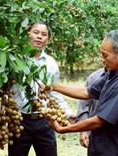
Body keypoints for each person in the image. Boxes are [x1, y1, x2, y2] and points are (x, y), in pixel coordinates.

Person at [46, 29, 118, 156]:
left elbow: (98, 121)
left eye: (105, 55)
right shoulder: (112, 73)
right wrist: (53, 86)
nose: (101, 59)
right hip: (99, 147)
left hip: (113, 151)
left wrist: (64, 129)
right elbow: (87, 92)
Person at [8, 21, 75, 156]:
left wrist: (68, 114)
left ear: (47, 40)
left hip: (45, 121)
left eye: (43, 34)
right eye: (36, 32)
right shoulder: (14, 59)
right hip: (19, 121)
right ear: (28, 35)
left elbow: (54, 93)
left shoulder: (51, 63)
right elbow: (1, 88)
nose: (39, 37)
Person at [76, 67, 106, 148]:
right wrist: (83, 130)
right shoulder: (94, 77)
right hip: (95, 136)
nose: (102, 59)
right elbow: (84, 104)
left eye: (105, 55)